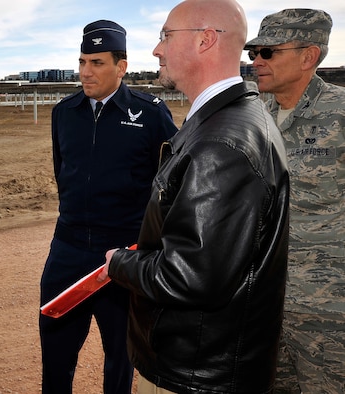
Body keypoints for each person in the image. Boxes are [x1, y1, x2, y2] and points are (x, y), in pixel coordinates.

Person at [97, 0, 290, 392]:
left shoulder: (222, 143)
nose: (156, 49)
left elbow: (191, 278)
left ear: (205, 41)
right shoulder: (228, 119)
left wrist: (120, 263)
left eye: (166, 36)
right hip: (203, 363)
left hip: (196, 374)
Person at [39, 19, 178, 394]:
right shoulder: (64, 112)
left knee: (122, 356)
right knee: (56, 353)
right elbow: (62, 171)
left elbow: (171, 183)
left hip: (124, 254)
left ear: (122, 66)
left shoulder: (151, 113)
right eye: (82, 61)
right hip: (67, 251)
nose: (86, 72)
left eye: (97, 62)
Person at [244, 9, 345, 393]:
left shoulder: (340, 114)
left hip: (328, 315)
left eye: (269, 52)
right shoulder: (255, 114)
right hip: (263, 306)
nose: (256, 61)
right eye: (254, 52)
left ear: (308, 56)